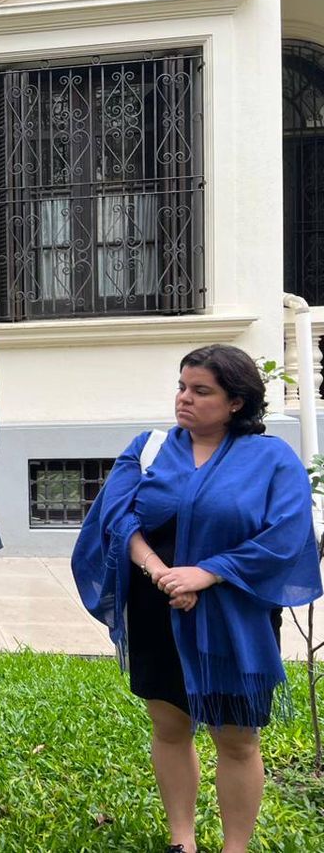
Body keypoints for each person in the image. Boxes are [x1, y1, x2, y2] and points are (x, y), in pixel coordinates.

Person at [72, 344, 322, 853]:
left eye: (201, 390)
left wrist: (206, 575)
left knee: (237, 738)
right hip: (157, 607)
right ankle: (181, 841)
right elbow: (117, 517)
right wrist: (163, 574)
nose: (184, 398)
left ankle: (235, 847)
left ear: (236, 402)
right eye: (182, 386)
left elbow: (286, 535)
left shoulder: (271, 459)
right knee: (169, 725)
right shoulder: (149, 448)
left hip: (235, 613)